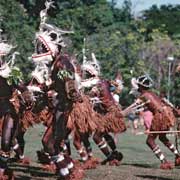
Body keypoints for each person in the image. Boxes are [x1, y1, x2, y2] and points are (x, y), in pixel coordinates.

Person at [131, 75, 180, 169]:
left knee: (150, 141)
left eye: (138, 85)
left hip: (160, 116)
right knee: (162, 137)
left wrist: (121, 114)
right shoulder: (151, 93)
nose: (137, 87)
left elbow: (132, 107)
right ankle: (178, 156)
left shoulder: (143, 96)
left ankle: (164, 161)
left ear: (141, 86)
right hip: (166, 114)